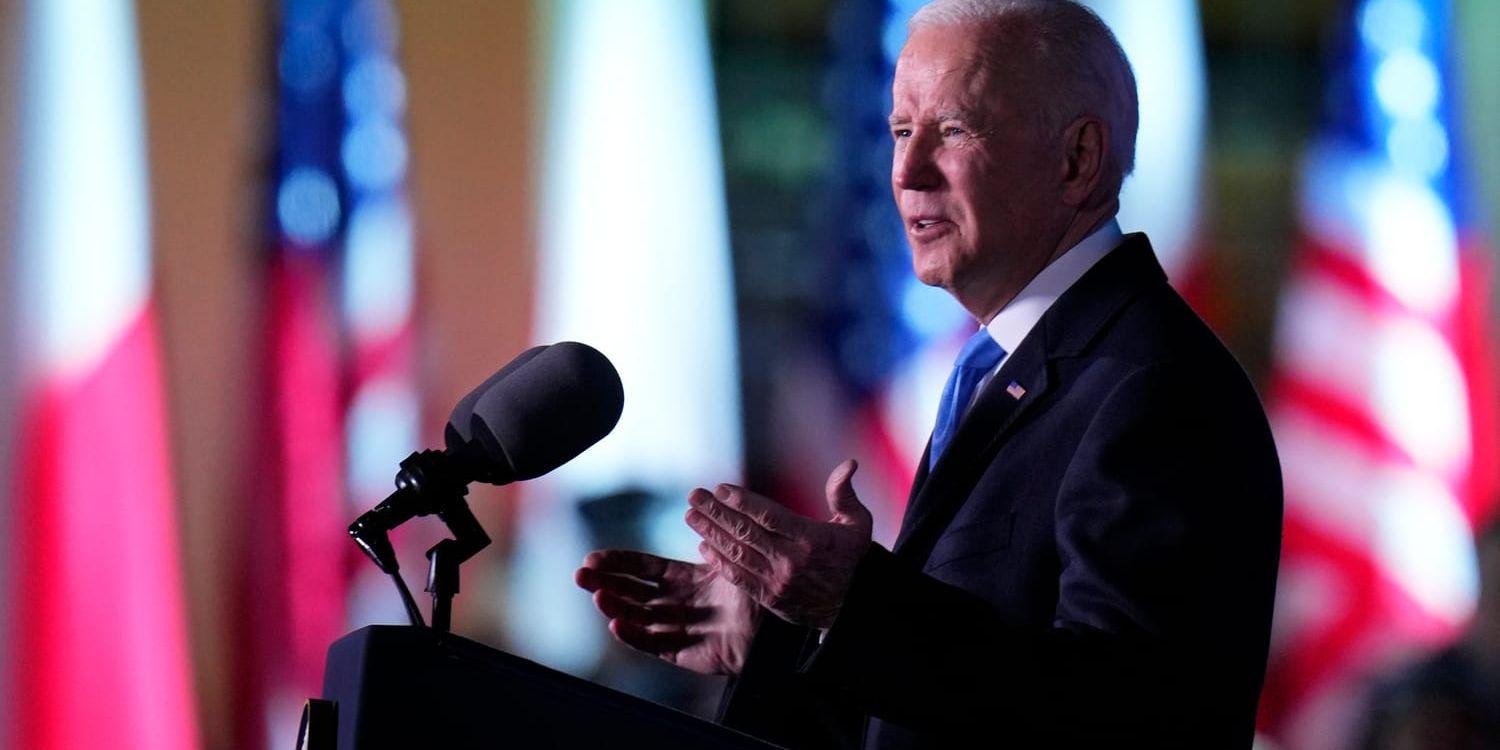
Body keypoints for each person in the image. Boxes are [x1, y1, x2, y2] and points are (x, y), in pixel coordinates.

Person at [575, 1, 1283, 747]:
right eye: (901, 131)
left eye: (953, 130)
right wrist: (794, 636)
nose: (908, 173)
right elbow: (959, 690)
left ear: (1076, 160)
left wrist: (854, 608)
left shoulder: (1154, 388)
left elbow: (1127, 717)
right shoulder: (1002, 367)